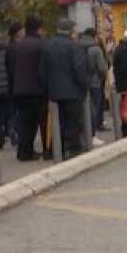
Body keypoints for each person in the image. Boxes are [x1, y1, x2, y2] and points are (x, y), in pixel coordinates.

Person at [40, 18, 87, 159]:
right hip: (73, 92)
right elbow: (79, 69)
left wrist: (47, 89)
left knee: (57, 123)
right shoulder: (75, 46)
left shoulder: (47, 46)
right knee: (73, 122)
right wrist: (84, 86)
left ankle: (57, 149)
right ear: (71, 30)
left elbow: (42, 71)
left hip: (54, 92)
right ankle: (73, 149)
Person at [12, 15, 45, 161]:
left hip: (19, 89)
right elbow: (43, 68)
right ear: (39, 28)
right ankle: (34, 151)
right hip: (37, 90)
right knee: (36, 122)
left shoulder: (17, 46)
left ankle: (23, 151)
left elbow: (11, 68)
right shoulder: (41, 44)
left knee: (24, 122)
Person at [80, 28, 108, 137]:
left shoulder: (77, 45)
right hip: (95, 82)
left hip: (81, 82)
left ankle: (84, 133)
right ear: (94, 36)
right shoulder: (96, 49)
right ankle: (92, 134)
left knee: (84, 109)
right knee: (95, 108)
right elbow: (102, 68)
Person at [4, 22, 23, 146]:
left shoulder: (9, 47)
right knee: (17, 110)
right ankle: (15, 132)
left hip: (11, 83)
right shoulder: (15, 48)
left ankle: (12, 131)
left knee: (13, 110)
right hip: (16, 83)